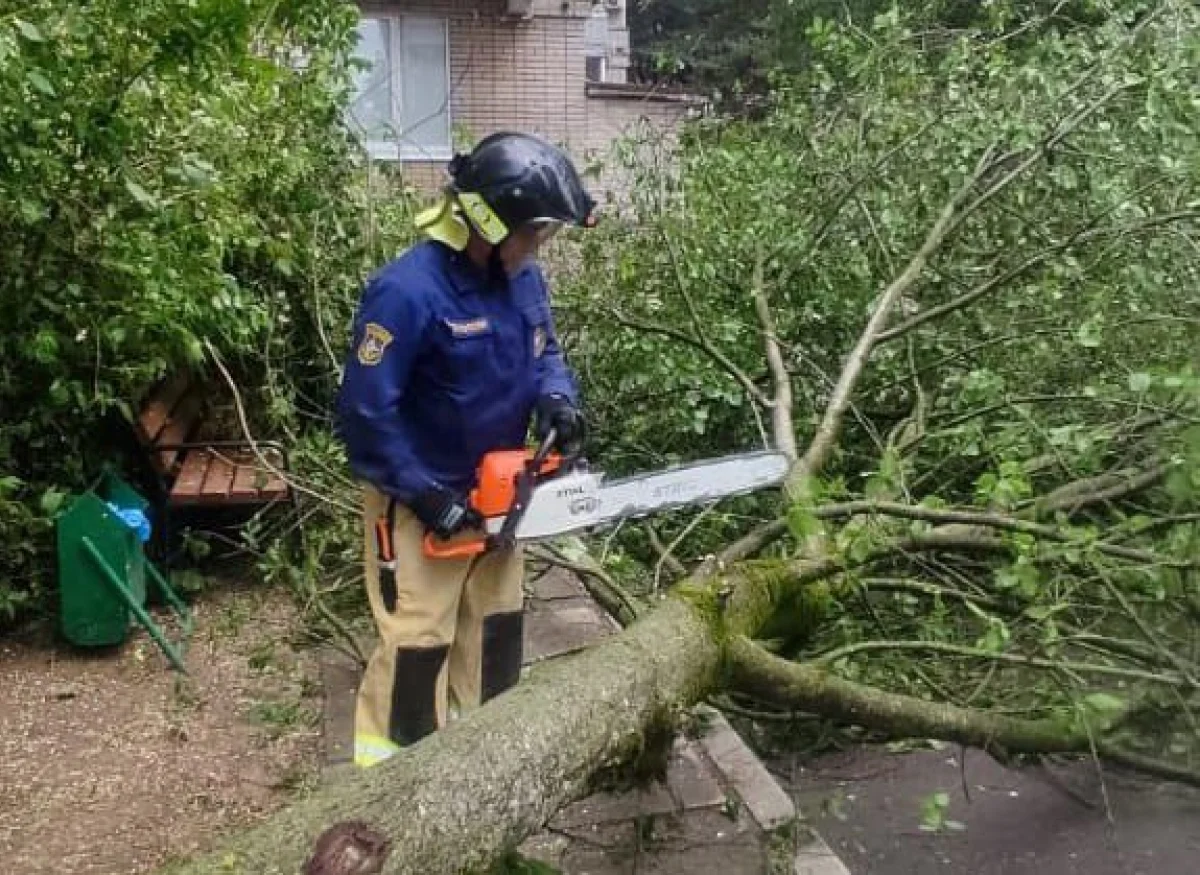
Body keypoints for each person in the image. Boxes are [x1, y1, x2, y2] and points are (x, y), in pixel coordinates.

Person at [335, 132, 595, 768]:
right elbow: (365, 412)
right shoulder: (406, 292)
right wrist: (421, 492)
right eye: (533, 231)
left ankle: (482, 765)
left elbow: (546, 353)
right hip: (419, 496)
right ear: (490, 221)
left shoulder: (523, 279)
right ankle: (391, 783)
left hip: (501, 493)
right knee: (417, 644)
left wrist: (557, 399)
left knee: (496, 630)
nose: (539, 244)